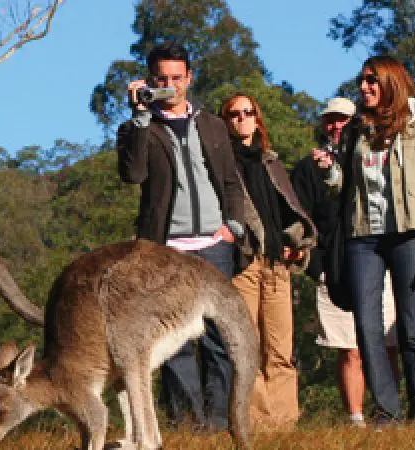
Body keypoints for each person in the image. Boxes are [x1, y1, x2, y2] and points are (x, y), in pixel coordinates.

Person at [313, 55, 415, 428]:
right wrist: (330, 172)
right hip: (364, 238)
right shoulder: (359, 129)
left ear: (391, 82)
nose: (364, 88)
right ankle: (387, 412)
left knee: (410, 326)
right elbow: (346, 189)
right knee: (366, 324)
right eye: (362, 81)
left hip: (410, 235)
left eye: (371, 81)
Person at [117, 42, 246, 432]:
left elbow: (229, 180)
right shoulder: (136, 128)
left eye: (177, 78)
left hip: (214, 245)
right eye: (161, 79)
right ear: (150, 80)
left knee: (219, 340)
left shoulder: (211, 124)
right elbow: (133, 174)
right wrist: (140, 116)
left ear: (189, 78)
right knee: (173, 344)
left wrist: (232, 228)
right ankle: (188, 423)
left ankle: (221, 422)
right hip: (165, 250)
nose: (170, 85)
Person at [291, 97, 400, 428]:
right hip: (334, 270)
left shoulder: (374, 158)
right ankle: (356, 419)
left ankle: (390, 413)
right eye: (330, 120)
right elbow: (298, 218)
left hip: (379, 262)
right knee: (349, 349)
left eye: (342, 120)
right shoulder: (307, 168)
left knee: (386, 344)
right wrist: (316, 266)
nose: (335, 126)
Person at [220, 93, 317, 432]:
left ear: (257, 118)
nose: (242, 118)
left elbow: (288, 209)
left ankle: (285, 423)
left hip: (277, 265)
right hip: (245, 264)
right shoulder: (223, 166)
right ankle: (258, 423)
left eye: (248, 112)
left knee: (280, 349)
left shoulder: (270, 161)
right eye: (234, 114)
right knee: (249, 346)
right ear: (226, 121)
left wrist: (297, 242)